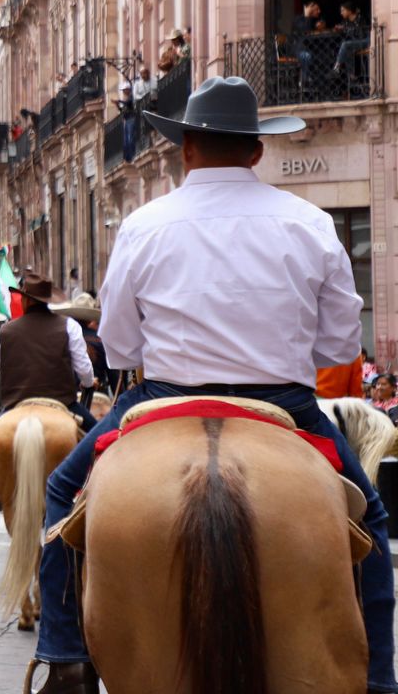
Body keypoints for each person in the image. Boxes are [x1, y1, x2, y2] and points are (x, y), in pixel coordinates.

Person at [29, 75, 395, 694]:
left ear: (186, 147)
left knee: (63, 492)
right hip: (283, 402)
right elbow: (337, 347)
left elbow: (119, 345)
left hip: (163, 397)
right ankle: (382, 679)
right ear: (256, 149)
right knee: (374, 523)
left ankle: (64, 654)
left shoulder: (143, 225)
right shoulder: (309, 222)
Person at [0, 274, 95, 426]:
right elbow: (84, 369)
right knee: (98, 438)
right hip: (62, 403)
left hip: (14, 405)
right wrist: (88, 383)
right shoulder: (69, 326)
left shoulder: (5, 331)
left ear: (26, 300)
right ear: (48, 300)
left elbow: (2, 366)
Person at [333, 1, 369, 78]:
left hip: (365, 40)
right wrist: (339, 30)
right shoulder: (345, 22)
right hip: (354, 43)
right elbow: (347, 35)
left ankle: (337, 67)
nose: (341, 13)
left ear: (349, 11)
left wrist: (345, 29)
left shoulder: (360, 18)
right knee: (345, 47)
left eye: (343, 10)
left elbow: (360, 34)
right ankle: (351, 77)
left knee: (345, 45)